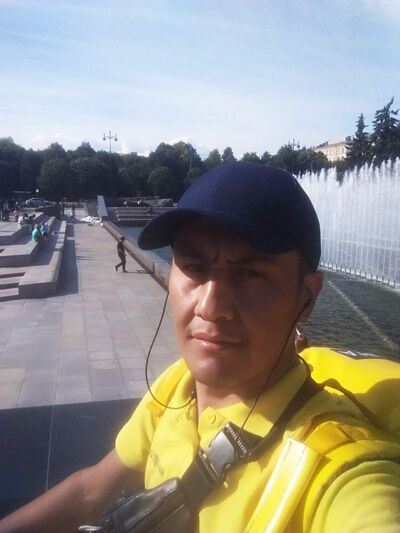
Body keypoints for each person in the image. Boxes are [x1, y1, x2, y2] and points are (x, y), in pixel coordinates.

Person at [1, 162, 399, 533]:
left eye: (250, 273)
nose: (210, 306)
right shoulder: (179, 386)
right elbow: (90, 490)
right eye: (194, 267)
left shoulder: (336, 469)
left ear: (307, 298)